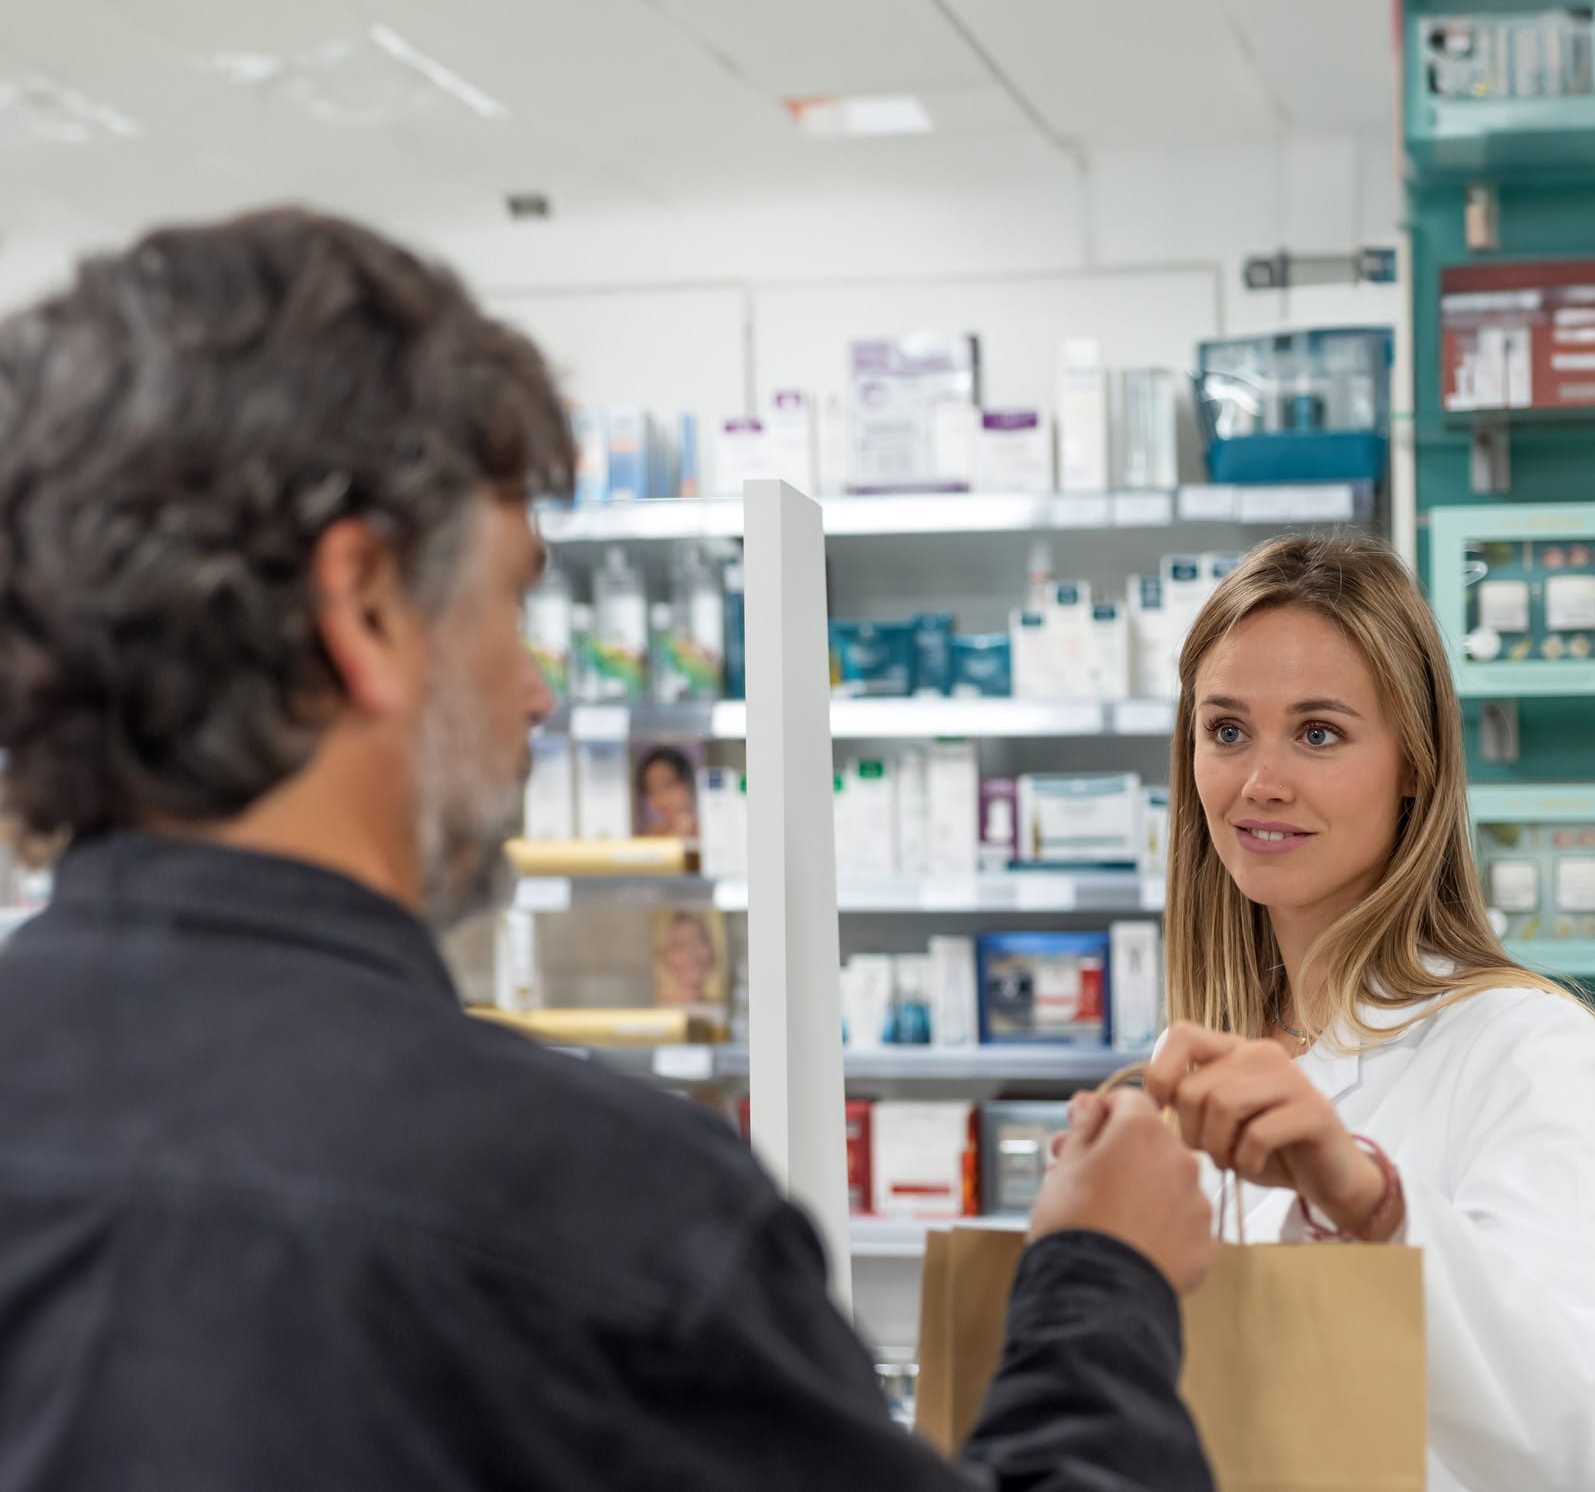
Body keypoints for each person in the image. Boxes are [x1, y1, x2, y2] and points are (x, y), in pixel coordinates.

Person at [0, 208, 1216, 1491]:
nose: (533, 693)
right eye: (509, 599)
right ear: (364, 606)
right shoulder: (593, 1220)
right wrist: (1102, 1283)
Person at [1145, 532, 1595, 1492]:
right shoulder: (1191, 1060)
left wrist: (1372, 1207)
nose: (1259, 780)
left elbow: (1570, 1429)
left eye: (1318, 732)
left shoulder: (1527, 1048)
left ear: (1413, 765)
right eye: (1226, 730)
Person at [636, 744, 700, 839]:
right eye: (651, 791)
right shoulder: (650, 835)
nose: (660, 799)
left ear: (686, 783)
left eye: (667, 786)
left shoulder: (709, 829)